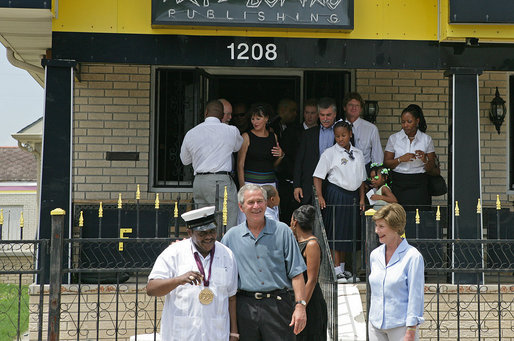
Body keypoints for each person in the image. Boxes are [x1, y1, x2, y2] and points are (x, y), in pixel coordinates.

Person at [221, 184, 308, 340]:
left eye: (260, 201)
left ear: (267, 203)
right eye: (251, 202)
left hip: (278, 307)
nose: (256, 206)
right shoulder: (230, 237)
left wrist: (300, 306)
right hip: (244, 309)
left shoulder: (283, 232)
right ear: (241, 207)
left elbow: (297, 274)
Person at [147, 206, 239, 341]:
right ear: (190, 233)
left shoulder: (227, 255)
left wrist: (234, 333)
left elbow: (231, 297)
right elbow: (151, 289)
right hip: (181, 335)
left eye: (212, 231)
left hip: (216, 335)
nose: (208, 237)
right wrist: (178, 280)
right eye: (202, 234)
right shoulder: (174, 253)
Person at [313, 121, 366, 282]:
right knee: (336, 231)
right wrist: (320, 196)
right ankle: (336, 269)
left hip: (353, 196)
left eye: (343, 135)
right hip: (336, 193)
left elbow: (362, 179)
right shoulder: (330, 153)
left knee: (348, 232)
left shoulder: (358, 153)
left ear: (350, 134)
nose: (340, 139)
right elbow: (318, 176)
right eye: (337, 136)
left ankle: (343, 269)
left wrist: (362, 198)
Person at [180, 99, 243, 229]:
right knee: (227, 220)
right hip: (221, 180)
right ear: (222, 116)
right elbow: (237, 147)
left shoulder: (191, 133)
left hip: (200, 181)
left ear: (206, 112)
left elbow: (184, 160)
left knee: (203, 221)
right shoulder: (231, 131)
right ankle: (224, 247)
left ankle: (205, 248)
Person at [369, 203, 424, 341]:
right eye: (376, 226)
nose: (377, 230)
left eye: (381, 226)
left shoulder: (413, 257)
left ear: (395, 228)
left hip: (401, 327)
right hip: (375, 326)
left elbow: (415, 295)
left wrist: (411, 329)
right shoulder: (375, 255)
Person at [383, 104, 438, 209]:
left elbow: (431, 167)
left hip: (419, 183)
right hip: (399, 183)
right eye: (403, 122)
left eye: (409, 122)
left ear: (417, 121)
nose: (405, 125)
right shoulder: (394, 138)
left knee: (419, 217)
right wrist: (400, 159)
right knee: (398, 217)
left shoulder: (426, 139)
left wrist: (424, 159)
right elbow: (386, 163)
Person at [290, 205, 328, 341]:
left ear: (295, 222)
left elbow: (312, 280)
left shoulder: (312, 244)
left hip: (310, 301)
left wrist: (301, 306)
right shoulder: (294, 241)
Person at [294, 97, 338, 205]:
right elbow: (299, 161)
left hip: (335, 184)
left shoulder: (343, 134)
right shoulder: (308, 134)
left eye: (328, 115)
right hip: (309, 184)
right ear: (318, 115)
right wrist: (297, 185)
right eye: (322, 115)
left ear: (335, 114)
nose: (325, 118)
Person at [237, 103, 284, 188]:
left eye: (258, 119)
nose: (255, 122)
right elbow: (240, 164)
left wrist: (281, 156)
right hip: (250, 183)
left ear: (266, 118)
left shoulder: (273, 137)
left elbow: (272, 165)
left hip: (270, 184)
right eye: (252, 119)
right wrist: (242, 186)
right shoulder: (246, 136)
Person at [271, 99, 303, 224]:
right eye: (292, 110)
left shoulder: (294, 129)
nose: (296, 114)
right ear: (283, 111)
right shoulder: (272, 127)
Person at [343, 92, 383, 173]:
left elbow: (377, 155)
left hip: (364, 170)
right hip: (343, 170)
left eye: (357, 105)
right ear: (344, 107)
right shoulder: (338, 127)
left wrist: (376, 174)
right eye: (350, 105)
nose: (354, 108)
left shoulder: (371, 128)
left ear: (361, 109)